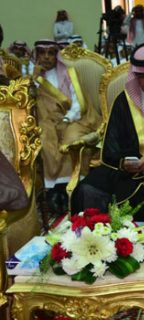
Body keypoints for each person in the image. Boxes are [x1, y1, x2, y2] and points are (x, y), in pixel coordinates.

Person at [71, 43, 144, 221]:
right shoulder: (124, 100)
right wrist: (124, 162)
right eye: (141, 76)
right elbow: (112, 146)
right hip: (133, 166)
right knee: (87, 188)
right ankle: (100, 233)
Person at [32, 39, 101, 214]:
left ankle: (72, 188)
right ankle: (54, 190)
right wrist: (34, 80)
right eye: (42, 53)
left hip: (75, 118)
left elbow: (78, 103)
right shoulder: (34, 78)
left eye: (50, 53)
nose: (46, 57)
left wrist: (66, 119)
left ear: (56, 56)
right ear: (37, 55)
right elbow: (31, 105)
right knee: (46, 140)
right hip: (46, 120)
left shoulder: (69, 73)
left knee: (71, 140)